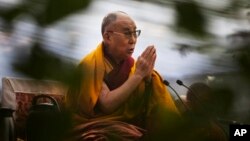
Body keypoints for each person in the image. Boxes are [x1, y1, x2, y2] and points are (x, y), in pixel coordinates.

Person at [65, 11, 180, 141]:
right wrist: (138, 75)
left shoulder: (133, 66)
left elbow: (145, 104)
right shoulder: (91, 65)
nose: (133, 40)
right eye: (127, 33)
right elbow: (107, 105)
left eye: (135, 33)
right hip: (90, 125)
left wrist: (148, 80)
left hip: (126, 125)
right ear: (108, 37)